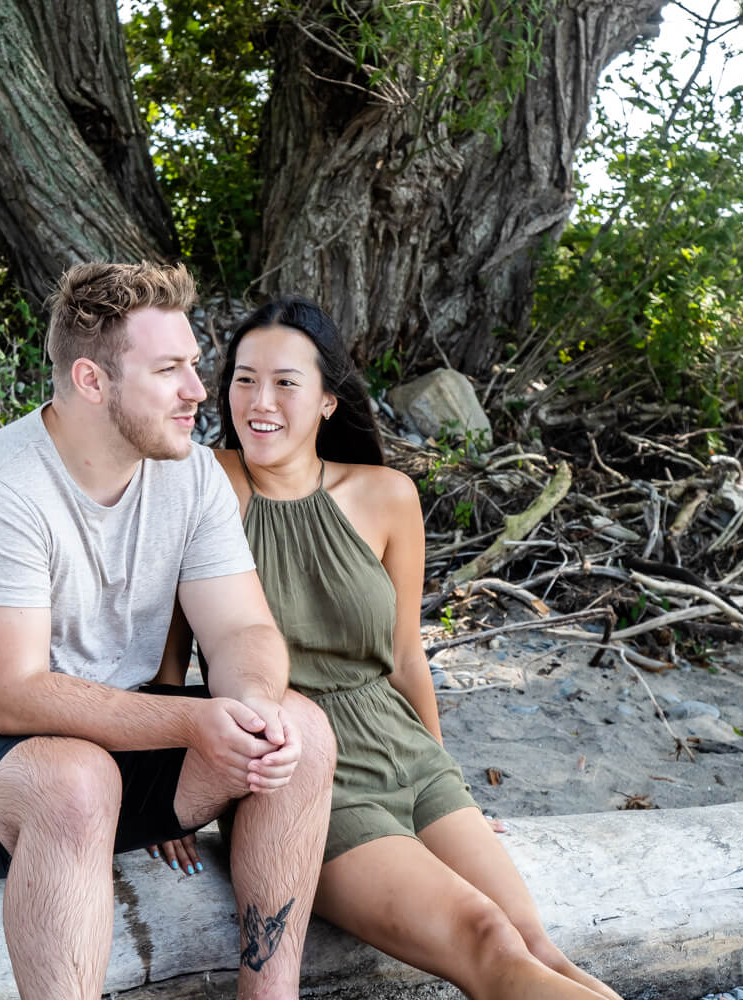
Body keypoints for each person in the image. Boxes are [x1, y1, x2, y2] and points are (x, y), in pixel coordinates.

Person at [0, 263, 336, 1000]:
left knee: (299, 729)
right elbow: (16, 699)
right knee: (74, 782)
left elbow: (244, 626)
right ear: (91, 381)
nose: (197, 390)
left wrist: (247, 711)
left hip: (109, 741)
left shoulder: (190, 475)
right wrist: (194, 720)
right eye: (169, 371)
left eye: (193, 365)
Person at [153, 296, 623, 1000]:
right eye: (244, 379)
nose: (260, 400)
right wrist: (166, 796)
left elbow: (406, 654)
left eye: (286, 382)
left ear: (327, 402)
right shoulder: (201, 485)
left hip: (407, 753)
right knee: (486, 942)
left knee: (533, 941)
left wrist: (445, 771)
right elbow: (166, 663)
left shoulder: (387, 494)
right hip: (301, 771)